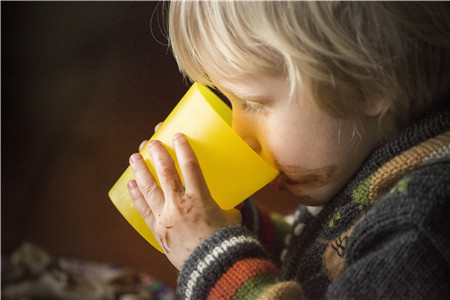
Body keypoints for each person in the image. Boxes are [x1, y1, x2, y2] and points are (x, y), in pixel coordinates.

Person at [127, 2, 450, 299]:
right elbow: (317, 262)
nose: (238, 134)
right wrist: (232, 223)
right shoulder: (369, 162)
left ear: (367, 83)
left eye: (254, 103)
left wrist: (213, 259)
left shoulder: (419, 230)